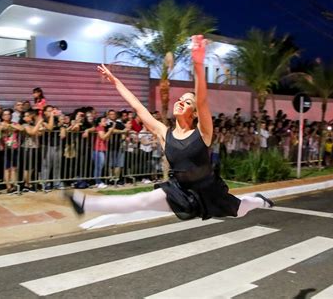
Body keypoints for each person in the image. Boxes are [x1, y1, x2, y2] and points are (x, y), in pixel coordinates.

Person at [65, 35, 273, 219]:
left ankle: (257, 200)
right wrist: (116, 81)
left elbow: (202, 101)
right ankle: (84, 203)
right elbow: (137, 106)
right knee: (142, 200)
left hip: (208, 190)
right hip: (180, 190)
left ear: (194, 113)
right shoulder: (164, 132)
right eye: (180, 99)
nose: (181, 102)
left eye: (187, 102)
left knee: (239, 210)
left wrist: (198, 64)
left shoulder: (203, 132)